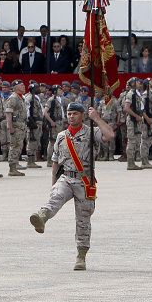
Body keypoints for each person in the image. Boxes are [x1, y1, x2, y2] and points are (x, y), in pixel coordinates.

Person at [27, 102, 114, 271]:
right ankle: (42, 217)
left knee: (83, 221)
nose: (71, 116)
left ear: (82, 115)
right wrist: (53, 183)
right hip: (66, 177)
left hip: (84, 181)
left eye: (75, 113)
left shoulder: (91, 132)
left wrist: (96, 118)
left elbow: (109, 135)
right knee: (55, 198)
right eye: (69, 114)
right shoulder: (61, 136)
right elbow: (55, 162)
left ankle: (81, 255)